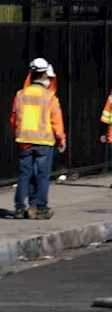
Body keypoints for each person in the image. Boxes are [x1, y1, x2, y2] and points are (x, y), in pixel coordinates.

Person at [10, 58, 65, 219]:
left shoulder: (20, 95)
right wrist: (61, 139)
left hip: (24, 141)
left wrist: (18, 134)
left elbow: (14, 119)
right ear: (45, 75)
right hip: (44, 142)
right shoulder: (50, 97)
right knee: (42, 176)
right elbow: (57, 120)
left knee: (24, 175)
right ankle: (41, 208)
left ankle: (20, 208)